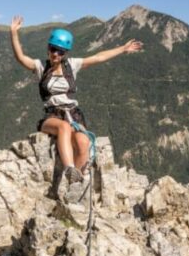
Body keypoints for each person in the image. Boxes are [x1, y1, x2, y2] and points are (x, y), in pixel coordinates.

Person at [10, 16, 143, 183]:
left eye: (60, 51)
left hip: (73, 114)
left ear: (66, 53)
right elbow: (21, 58)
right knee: (64, 127)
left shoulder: (72, 65)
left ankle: (74, 183)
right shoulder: (40, 67)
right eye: (53, 49)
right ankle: (69, 169)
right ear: (48, 49)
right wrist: (14, 33)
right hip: (51, 117)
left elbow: (98, 57)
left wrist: (122, 49)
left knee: (83, 142)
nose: (56, 54)